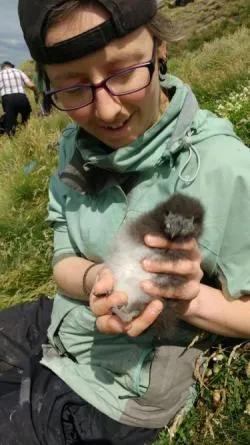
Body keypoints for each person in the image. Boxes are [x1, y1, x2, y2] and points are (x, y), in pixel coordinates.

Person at [0, 0, 249, 443]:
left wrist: (186, 299)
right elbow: (63, 260)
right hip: (62, 328)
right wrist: (95, 276)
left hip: (115, 392)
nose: (109, 111)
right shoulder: (74, 146)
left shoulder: (223, 169)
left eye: (124, 72)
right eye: (72, 89)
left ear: (160, 50)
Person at [0, 61, 37, 135]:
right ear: (11, 66)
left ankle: (11, 136)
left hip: (7, 99)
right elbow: (31, 85)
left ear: (2, 67)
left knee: (10, 121)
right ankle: (25, 131)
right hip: (21, 97)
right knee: (26, 115)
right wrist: (36, 94)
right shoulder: (18, 71)